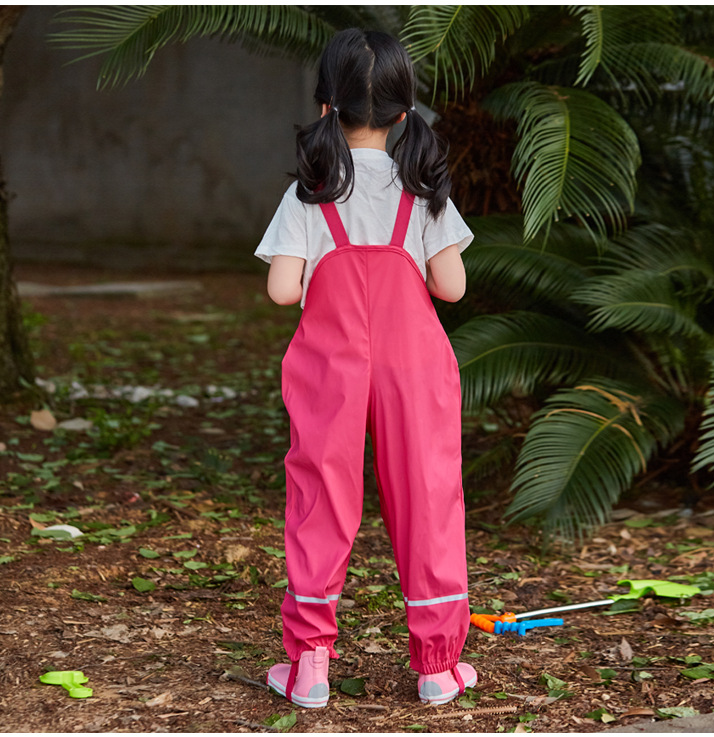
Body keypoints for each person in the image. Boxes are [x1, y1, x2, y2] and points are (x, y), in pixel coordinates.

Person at [254, 28, 475, 708]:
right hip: (416, 369)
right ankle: (437, 667)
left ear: (326, 105)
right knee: (428, 496)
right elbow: (453, 287)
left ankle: (310, 664)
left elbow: (282, 290)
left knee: (320, 498)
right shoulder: (423, 191)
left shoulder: (311, 193)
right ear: (405, 113)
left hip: (331, 366)